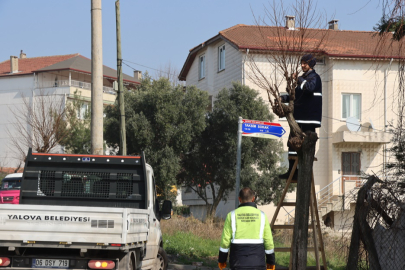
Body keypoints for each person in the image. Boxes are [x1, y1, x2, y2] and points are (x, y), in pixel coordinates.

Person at [278, 54, 322, 180]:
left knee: (306, 145)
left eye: (305, 63)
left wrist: (298, 79)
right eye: (301, 63)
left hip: (309, 118)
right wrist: (283, 98)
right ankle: (292, 171)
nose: (302, 65)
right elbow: (296, 95)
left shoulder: (315, 78)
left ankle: (303, 171)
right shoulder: (303, 78)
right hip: (298, 118)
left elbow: (309, 88)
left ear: (311, 64)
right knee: (292, 142)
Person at [218, 187, 275, 270]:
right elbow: (268, 241)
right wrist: (271, 261)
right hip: (258, 262)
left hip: (237, 262)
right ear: (253, 199)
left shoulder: (232, 215)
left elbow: (225, 242)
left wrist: (222, 260)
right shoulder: (262, 215)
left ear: (239, 199)